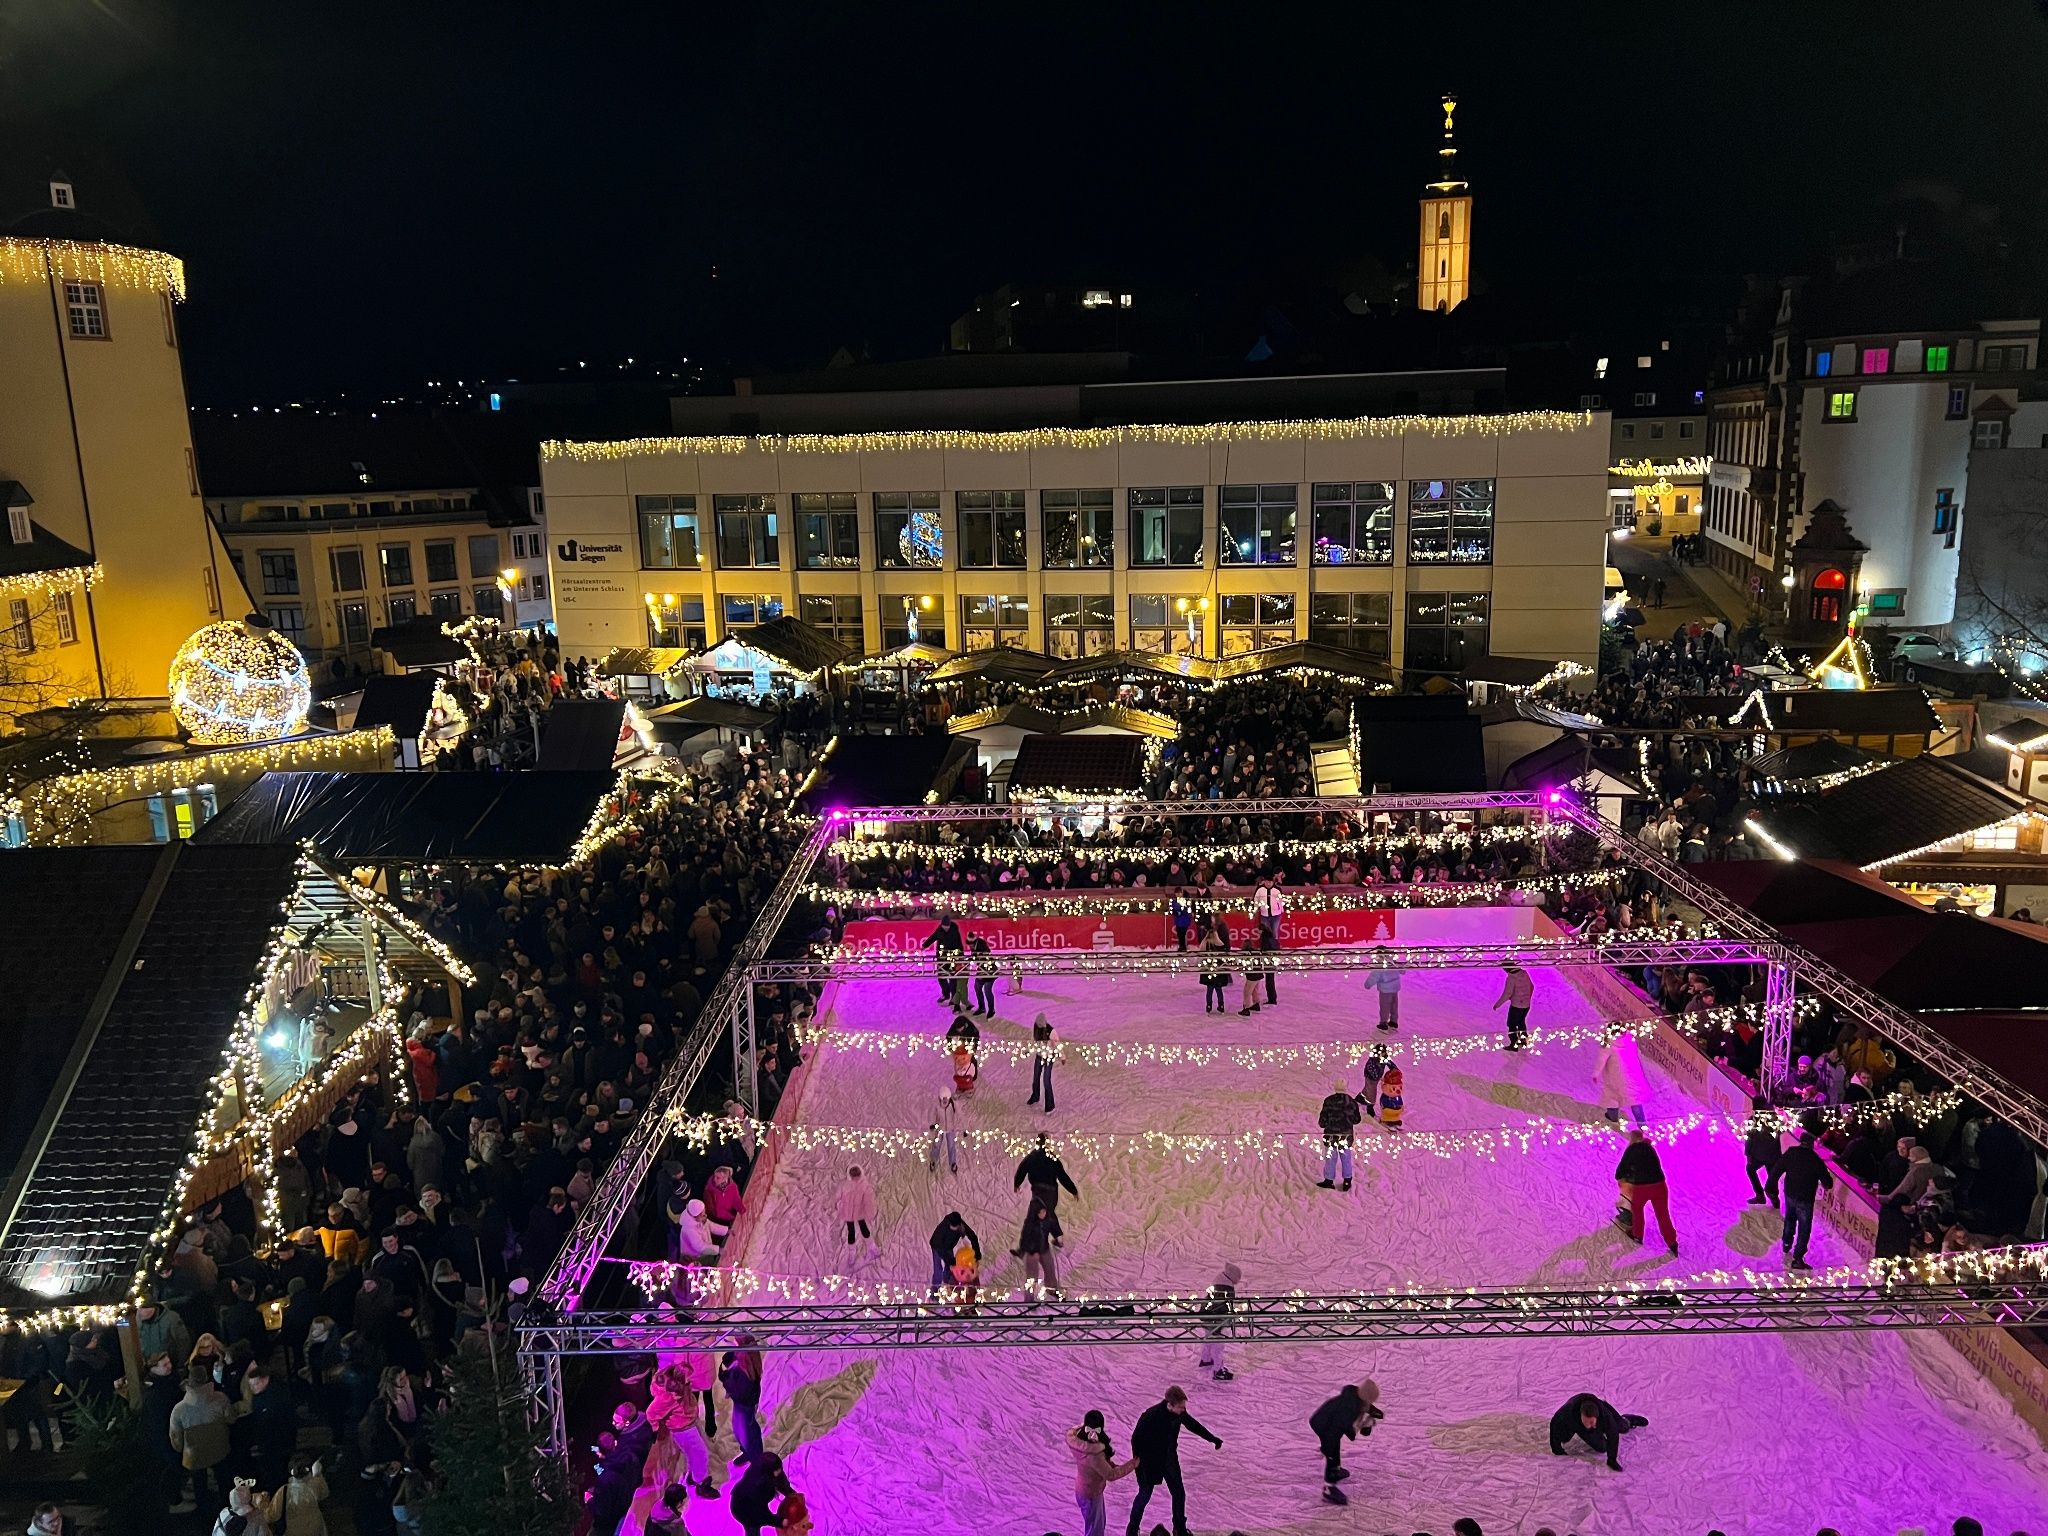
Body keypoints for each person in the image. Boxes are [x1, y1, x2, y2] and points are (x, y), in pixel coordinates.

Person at [1125, 1386, 1222, 1536]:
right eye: (1181, 1407)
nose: (1183, 1410)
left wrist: (1212, 1439)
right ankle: (1132, 1529)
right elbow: (1136, 1439)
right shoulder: (1151, 1415)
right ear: (1170, 1405)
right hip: (1149, 1462)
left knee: (1179, 1493)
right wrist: (1138, 1462)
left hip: (1169, 1460)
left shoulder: (1179, 1414)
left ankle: (1179, 1529)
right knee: (1144, 1494)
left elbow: (1193, 1425)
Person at [168, 1362, 234, 1513]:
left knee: (199, 1481)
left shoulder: (179, 1410)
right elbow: (231, 1419)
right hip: (219, 1449)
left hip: (194, 1455)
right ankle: (227, 1506)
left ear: (189, 1381)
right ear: (206, 1378)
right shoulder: (221, 1398)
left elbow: (176, 1438)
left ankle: (203, 1508)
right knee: (223, 1477)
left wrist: (180, 1450)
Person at [1307, 1379, 1383, 1505]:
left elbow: (1363, 1404)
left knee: (1333, 1448)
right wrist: (1364, 1425)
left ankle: (1334, 1466)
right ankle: (1329, 1488)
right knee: (1332, 1454)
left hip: (1326, 1419)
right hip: (1324, 1426)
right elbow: (1348, 1429)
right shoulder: (1349, 1409)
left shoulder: (1355, 1394)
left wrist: (1372, 1411)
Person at [1067, 1410, 1135, 1536]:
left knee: (1097, 1525)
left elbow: (1072, 1431)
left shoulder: (1078, 1442)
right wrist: (1133, 1464)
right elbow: (1111, 1474)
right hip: (1091, 1494)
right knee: (1095, 1531)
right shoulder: (1094, 1455)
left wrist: (1083, 1425)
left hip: (1084, 1489)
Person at [1777, 1126, 1833, 1270]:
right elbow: (1828, 1183)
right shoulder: (1815, 1159)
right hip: (1805, 1198)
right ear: (1812, 1144)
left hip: (1790, 1194)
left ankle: (1786, 1243)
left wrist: (1770, 1186)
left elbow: (1777, 1169)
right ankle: (1797, 1258)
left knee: (1790, 1219)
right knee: (1804, 1228)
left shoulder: (1791, 1153)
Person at [1615, 1127, 1679, 1254]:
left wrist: (1626, 1176)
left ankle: (1637, 1234)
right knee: (1663, 1214)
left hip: (1642, 1187)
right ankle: (1672, 1242)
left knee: (1637, 1210)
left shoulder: (1631, 1150)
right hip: (1659, 1185)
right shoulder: (1650, 1148)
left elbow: (1620, 1171)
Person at [1548, 1392, 1648, 1471]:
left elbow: (1613, 1434)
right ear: (1581, 1415)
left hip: (1600, 1407)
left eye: (1592, 1422)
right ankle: (1585, 1429)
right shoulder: (1567, 1413)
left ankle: (1627, 1420)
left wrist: (1612, 1459)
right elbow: (1554, 1423)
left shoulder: (1605, 1416)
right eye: (1587, 1422)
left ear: (1596, 1418)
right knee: (1602, 1447)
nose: (1590, 1425)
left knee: (1623, 1427)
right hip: (1578, 1423)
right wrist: (1557, 1448)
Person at [720, 1335, 765, 1465]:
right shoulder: (750, 1360)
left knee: (746, 1433)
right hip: (745, 1404)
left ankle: (756, 1459)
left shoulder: (744, 1371)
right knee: (743, 1430)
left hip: (745, 1405)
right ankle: (748, 1452)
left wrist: (726, 1380)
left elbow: (740, 1392)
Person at [1593, 1025, 1650, 1125]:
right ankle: (1642, 1124)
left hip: (1615, 1077)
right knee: (1634, 1099)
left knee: (1612, 1097)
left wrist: (1595, 1074)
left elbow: (1601, 1060)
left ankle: (1613, 1118)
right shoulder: (1630, 1040)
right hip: (1632, 1075)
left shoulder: (1609, 1045)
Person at [729, 1450, 793, 1536]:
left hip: (750, 1501)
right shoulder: (758, 1486)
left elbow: (780, 1480)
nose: (780, 1471)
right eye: (777, 1470)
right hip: (743, 1509)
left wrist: (790, 1494)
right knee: (752, 1525)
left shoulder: (767, 1470)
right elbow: (761, 1513)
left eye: (779, 1468)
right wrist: (779, 1522)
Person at [1316, 1077, 1364, 1190]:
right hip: (1346, 1136)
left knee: (1330, 1158)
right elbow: (1356, 1120)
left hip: (1331, 1136)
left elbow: (1322, 1121)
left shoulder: (1328, 1101)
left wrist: (1325, 1123)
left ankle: (1329, 1180)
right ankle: (1347, 1180)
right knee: (1346, 1158)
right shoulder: (1351, 1102)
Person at [1196, 1261, 1241, 1381]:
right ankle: (1218, 1371)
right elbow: (1222, 1308)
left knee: (1209, 1339)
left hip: (1207, 1318)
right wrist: (1223, 1323)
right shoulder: (1225, 1289)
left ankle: (1206, 1360)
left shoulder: (1218, 1284)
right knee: (1218, 1345)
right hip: (1216, 1321)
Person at [1015, 1134, 1079, 1212]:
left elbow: (1022, 1169)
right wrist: (1073, 1190)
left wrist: (1017, 1183)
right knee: (1049, 1213)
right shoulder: (1052, 1158)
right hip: (1051, 1190)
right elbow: (1062, 1176)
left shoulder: (1031, 1157)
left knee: (1038, 1212)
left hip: (1037, 1188)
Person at [1013, 1195, 1062, 1295]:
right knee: (1032, 1276)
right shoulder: (1030, 1224)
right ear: (1035, 1213)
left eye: (1044, 1211)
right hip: (1032, 1251)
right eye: (1040, 1212)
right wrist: (1025, 1250)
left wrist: (1058, 1239)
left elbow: (1054, 1229)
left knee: (1050, 1270)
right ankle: (1029, 1297)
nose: (1043, 1214)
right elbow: (1025, 1239)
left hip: (1044, 1248)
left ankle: (1052, 1290)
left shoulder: (1048, 1221)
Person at [834, 1164, 880, 1264]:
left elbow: (869, 1202)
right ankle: (852, 1252)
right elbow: (838, 1197)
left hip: (860, 1213)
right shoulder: (845, 1185)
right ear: (850, 1174)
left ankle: (872, 1247)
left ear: (860, 1174)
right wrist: (839, 1206)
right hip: (848, 1213)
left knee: (864, 1230)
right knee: (851, 1232)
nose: (855, 1177)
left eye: (857, 1174)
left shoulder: (865, 1186)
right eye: (853, 1174)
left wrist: (870, 1214)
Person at [928, 1211, 981, 1294]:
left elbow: (972, 1236)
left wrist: (977, 1254)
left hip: (949, 1246)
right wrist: (951, 1261)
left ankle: (948, 1287)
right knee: (938, 1268)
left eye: (956, 1227)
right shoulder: (942, 1229)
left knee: (949, 1269)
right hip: (937, 1247)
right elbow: (940, 1249)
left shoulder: (960, 1225)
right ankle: (935, 1290)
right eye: (953, 1227)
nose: (955, 1229)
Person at [1743, 1098, 1782, 1207]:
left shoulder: (1754, 1120)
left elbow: (1749, 1139)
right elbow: (1780, 1130)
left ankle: (1761, 1195)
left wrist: (1748, 1154)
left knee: (1750, 1169)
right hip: (1773, 1155)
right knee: (1772, 1176)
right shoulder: (1774, 1119)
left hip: (1759, 1155)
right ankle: (1774, 1197)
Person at [920, 913, 965, 1006]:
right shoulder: (940, 930)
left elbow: (959, 943)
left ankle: (953, 997)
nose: (945, 928)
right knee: (941, 976)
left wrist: (961, 956)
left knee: (952, 977)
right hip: (942, 957)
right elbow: (933, 937)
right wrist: (925, 945)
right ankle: (946, 994)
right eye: (944, 926)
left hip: (953, 957)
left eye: (947, 926)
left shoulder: (954, 930)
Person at [1494, 963, 1534, 1051]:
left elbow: (1507, 993)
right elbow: (1532, 986)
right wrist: (1527, 998)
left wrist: (1498, 1004)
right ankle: (1523, 1041)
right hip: (1526, 1005)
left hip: (1516, 1006)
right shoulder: (1524, 973)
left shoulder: (1511, 978)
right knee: (1521, 1022)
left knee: (1511, 1024)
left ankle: (1514, 1044)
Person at [1026, 1012, 1058, 1113]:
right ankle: (1035, 1096)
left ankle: (1050, 1105)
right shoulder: (1036, 1028)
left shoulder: (1051, 1031)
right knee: (1036, 1077)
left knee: (1046, 1080)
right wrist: (1028, 1050)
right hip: (1039, 1056)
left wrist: (1062, 1057)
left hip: (1049, 1058)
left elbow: (1057, 1045)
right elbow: (1033, 1040)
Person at [1199, 917, 1231, 1014]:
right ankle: (1221, 1005)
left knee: (1209, 990)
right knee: (1218, 989)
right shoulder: (1220, 944)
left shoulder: (1205, 944)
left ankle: (1209, 1006)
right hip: (1218, 970)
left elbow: (1201, 954)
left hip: (1208, 970)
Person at [1365, 956, 1401, 1031]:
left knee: (1385, 1006)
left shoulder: (1380, 966)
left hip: (1385, 990)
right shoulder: (1393, 962)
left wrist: (1367, 985)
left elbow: (1374, 977)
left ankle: (1383, 1023)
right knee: (1394, 1005)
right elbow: (1402, 971)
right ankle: (1394, 1021)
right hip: (1395, 988)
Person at [969, 935, 998, 1017]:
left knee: (987, 990)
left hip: (990, 971)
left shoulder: (982, 948)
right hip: (982, 970)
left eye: (971, 944)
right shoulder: (974, 950)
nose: (970, 946)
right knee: (977, 988)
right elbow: (975, 959)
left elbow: (985, 957)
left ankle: (991, 1009)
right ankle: (982, 1007)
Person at [1375, 1058, 1405, 1133]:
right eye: (1394, 1088)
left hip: (1396, 1113)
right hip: (1388, 1113)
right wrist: (1385, 1108)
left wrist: (1401, 1106)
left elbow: (1400, 1101)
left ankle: (1396, 1122)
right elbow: (1382, 1103)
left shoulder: (1397, 1097)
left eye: (1400, 1087)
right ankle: (1387, 1123)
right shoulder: (1385, 1097)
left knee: (1396, 1118)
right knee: (1388, 1117)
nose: (1398, 1091)